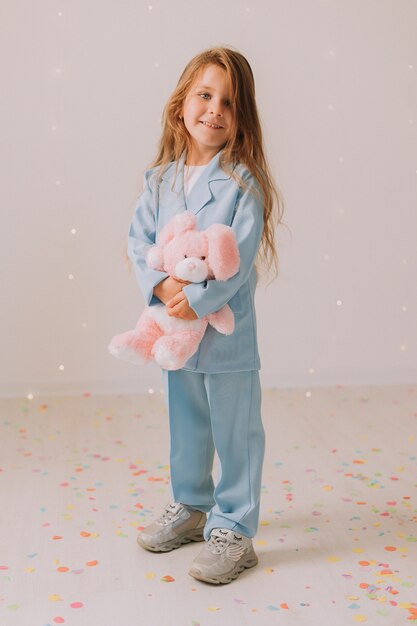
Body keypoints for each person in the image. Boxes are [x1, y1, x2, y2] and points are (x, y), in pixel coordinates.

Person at [127, 46, 283, 584]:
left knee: (235, 430)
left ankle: (235, 528)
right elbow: (138, 242)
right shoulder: (160, 181)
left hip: (225, 337)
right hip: (175, 337)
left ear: (242, 118)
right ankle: (191, 505)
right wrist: (161, 283)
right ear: (181, 106)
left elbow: (234, 265)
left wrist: (195, 299)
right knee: (187, 423)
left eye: (228, 102)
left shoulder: (242, 183)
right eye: (205, 95)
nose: (214, 109)